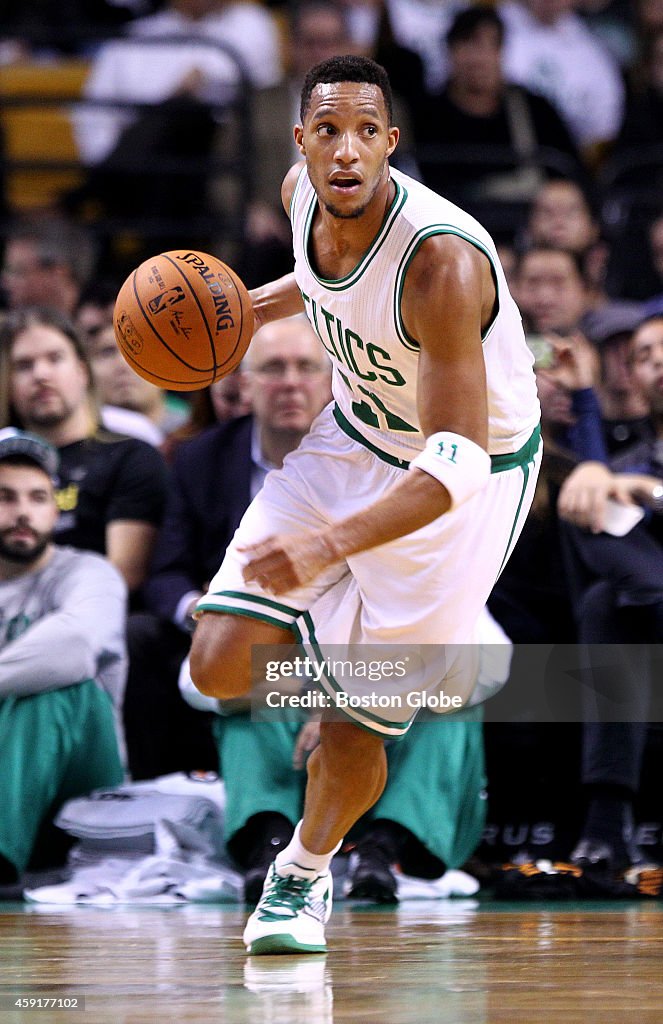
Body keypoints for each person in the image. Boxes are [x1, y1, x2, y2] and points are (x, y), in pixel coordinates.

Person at [189, 54, 541, 955]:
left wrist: (326, 549)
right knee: (222, 666)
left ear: (391, 142)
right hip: (353, 436)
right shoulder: (301, 198)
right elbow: (315, 290)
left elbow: (454, 462)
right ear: (299, 140)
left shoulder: (442, 264)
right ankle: (334, 665)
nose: (343, 152)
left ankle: (301, 875)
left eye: (363, 133)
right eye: (325, 131)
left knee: (359, 721)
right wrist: (232, 317)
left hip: (466, 481)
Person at [126, 317, 332, 781]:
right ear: (247, 383)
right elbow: (166, 574)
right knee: (142, 635)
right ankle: (153, 790)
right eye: (274, 369)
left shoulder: (365, 457)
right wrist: (197, 608)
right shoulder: (201, 457)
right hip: (230, 624)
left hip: (335, 627)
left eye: (306, 367)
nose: (291, 384)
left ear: (331, 381)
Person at [556, 313, 663, 874]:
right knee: (587, 500)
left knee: (609, 601)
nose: (659, 361)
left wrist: (653, 493)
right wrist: (584, 402)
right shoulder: (629, 467)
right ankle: (606, 824)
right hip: (647, 622)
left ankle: (606, 822)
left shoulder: (640, 478)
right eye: (646, 355)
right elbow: (601, 479)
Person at [0, 428, 126, 886]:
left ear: (56, 509)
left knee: (54, 689)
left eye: (37, 497)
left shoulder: (90, 573)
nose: (22, 512)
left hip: (81, 794)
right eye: (5, 497)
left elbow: (74, 648)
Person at [0, 307, 169, 600]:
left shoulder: (132, 458)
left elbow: (122, 575)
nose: (41, 374)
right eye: (24, 365)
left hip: (89, 619)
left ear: (82, 371)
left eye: (55, 359)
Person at [414, 7, 581, 218]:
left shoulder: (536, 110)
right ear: (450, 52)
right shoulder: (426, 115)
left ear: (502, 53)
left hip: (527, 233)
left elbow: (569, 176)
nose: (479, 58)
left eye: (490, 46)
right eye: (468, 45)